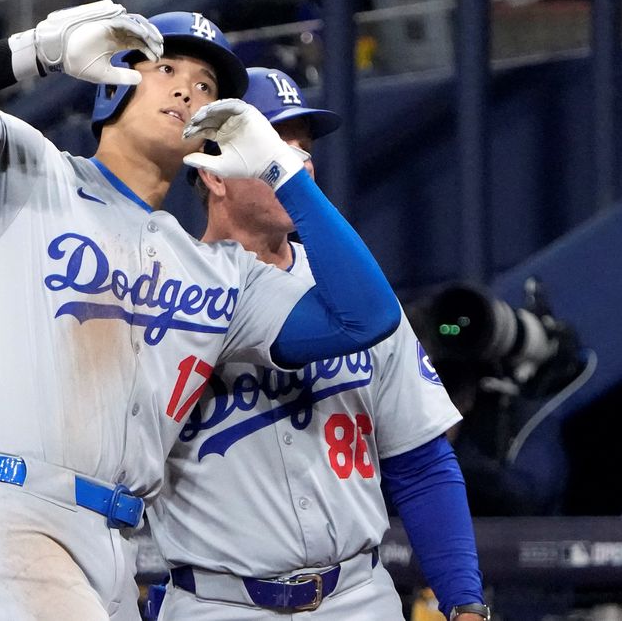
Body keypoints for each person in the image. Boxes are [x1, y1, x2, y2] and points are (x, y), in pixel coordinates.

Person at [0, 0, 402, 619]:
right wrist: (31, 52)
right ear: (115, 79)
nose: (188, 91)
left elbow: (366, 319)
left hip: (116, 549)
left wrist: (283, 171)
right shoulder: (26, 168)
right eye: (167, 70)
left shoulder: (220, 272)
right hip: (7, 514)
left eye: (205, 86)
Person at [140, 67, 487, 620]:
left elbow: (420, 462)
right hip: (218, 603)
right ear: (215, 174)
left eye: (304, 148)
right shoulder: (164, 298)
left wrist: (464, 602)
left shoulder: (359, 296)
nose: (298, 162)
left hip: (357, 595)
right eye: (274, 145)